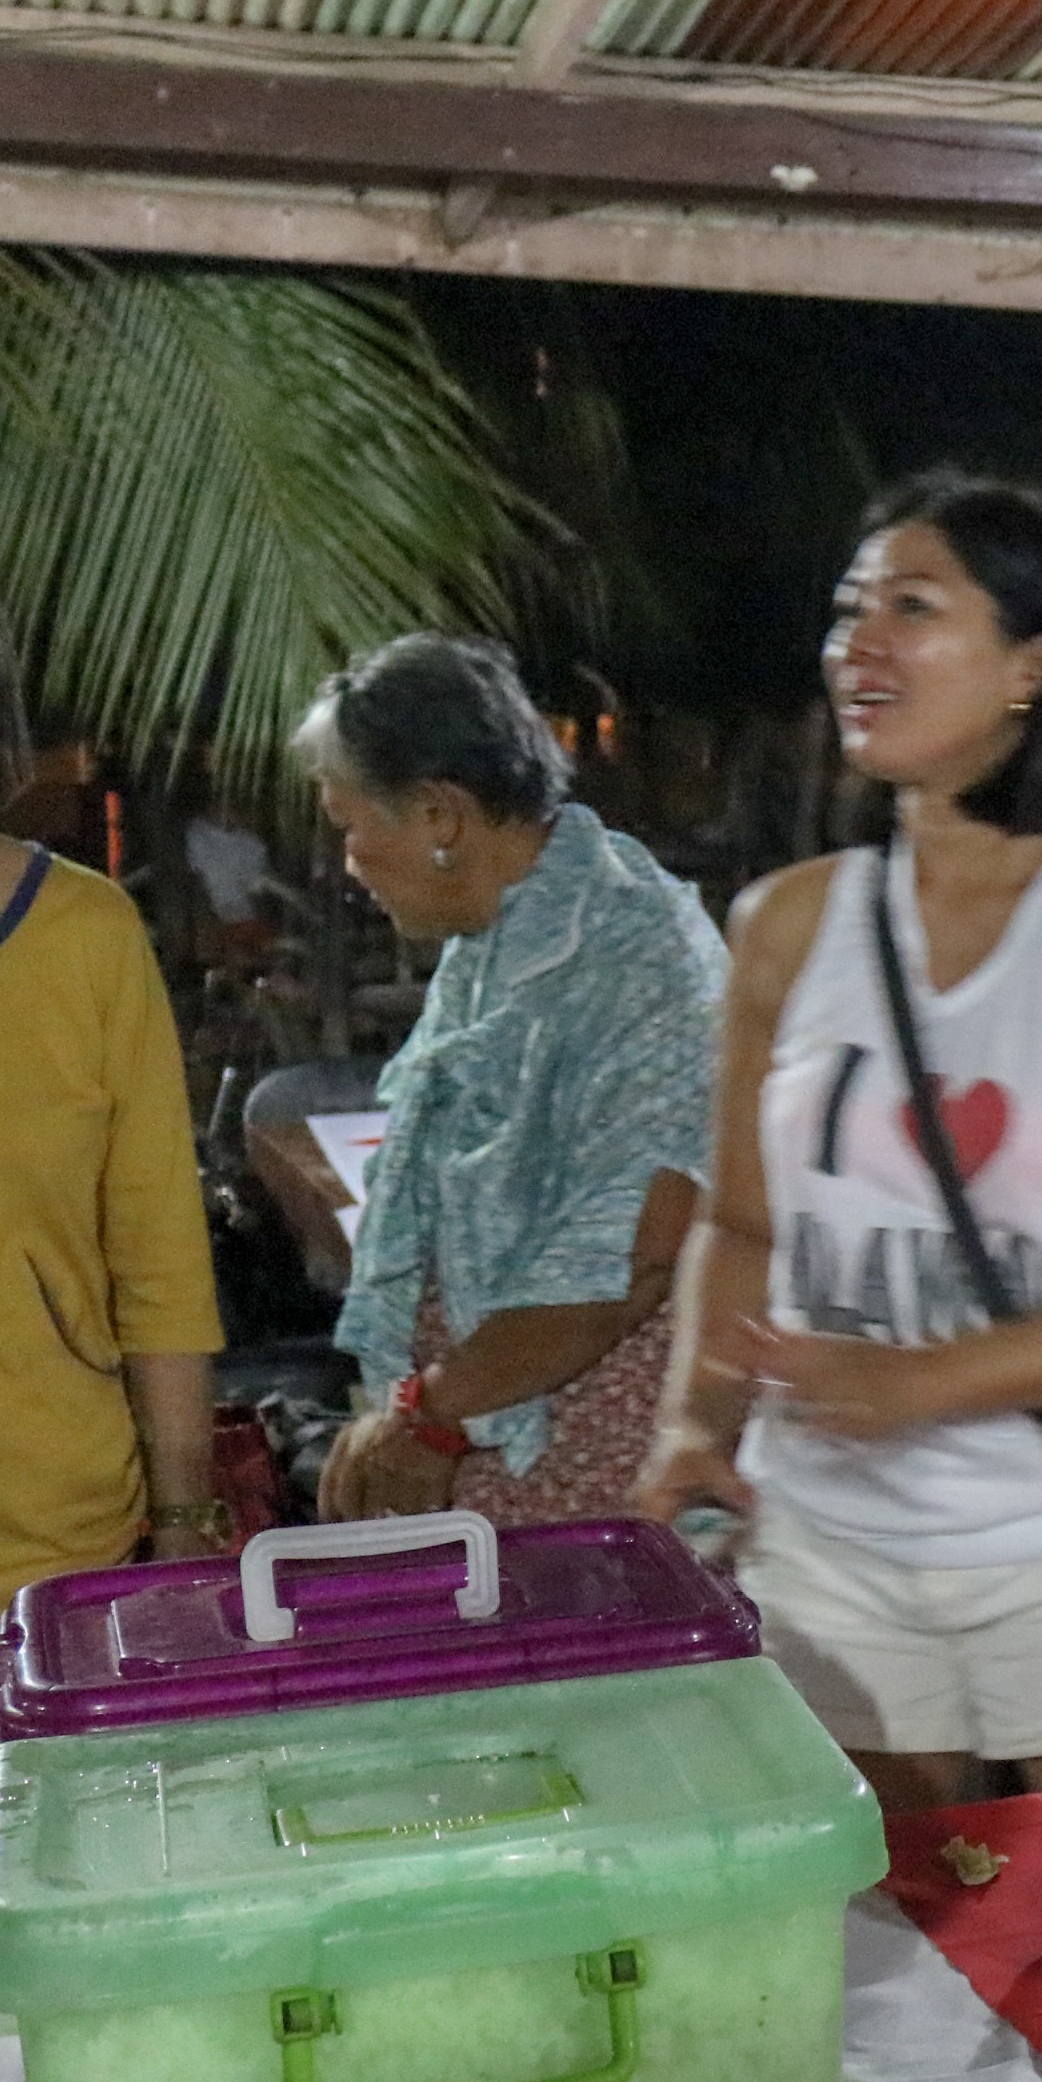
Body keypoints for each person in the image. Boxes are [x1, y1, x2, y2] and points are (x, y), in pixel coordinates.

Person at [637, 474, 1042, 1814]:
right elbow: (746, 1224)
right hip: (826, 1545)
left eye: (912, 610)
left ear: (1034, 664)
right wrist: (699, 1417)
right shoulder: (788, 925)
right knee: (878, 1950)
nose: (857, 647)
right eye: (846, 612)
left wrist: (926, 1381)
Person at [0, 504, 219, 1934]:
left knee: (13, 1984)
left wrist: (188, 1516)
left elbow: (157, 1257)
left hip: (24, 1576)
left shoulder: (81, 941)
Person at [302, 637, 730, 1527]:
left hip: (587, 1474)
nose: (350, 861)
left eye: (353, 826)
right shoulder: (501, 944)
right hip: (486, 1440)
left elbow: (629, 1259)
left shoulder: (634, 959)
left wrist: (432, 1419)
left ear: (439, 818)